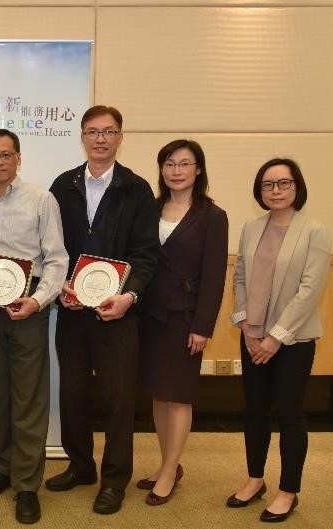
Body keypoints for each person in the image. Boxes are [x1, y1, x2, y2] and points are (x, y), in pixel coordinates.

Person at [45, 106, 160, 515]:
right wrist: (57, 284)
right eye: (92, 131)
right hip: (73, 312)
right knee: (73, 393)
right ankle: (80, 466)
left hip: (119, 314)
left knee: (117, 399)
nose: (100, 139)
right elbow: (50, 248)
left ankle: (113, 480)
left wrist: (128, 297)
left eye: (108, 131)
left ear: (120, 137)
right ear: (81, 136)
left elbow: (146, 255)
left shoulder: (137, 189)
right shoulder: (62, 186)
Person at [0, 129, 68, 524]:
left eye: (6, 155)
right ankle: (4, 467)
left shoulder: (41, 199)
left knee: (29, 398)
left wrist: (38, 300)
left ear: (18, 159)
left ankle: (26, 485)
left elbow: (56, 259)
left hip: (29, 312)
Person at [227, 159, 330, 523]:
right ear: (260, 191)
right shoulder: (251, 228)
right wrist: (245, 325)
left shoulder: (315, 231)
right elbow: (239, 277)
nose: (276, 190)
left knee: (288, 413)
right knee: (253, 411)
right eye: (268, 185)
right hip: (252, 336)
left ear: (297, 187)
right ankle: (256, 480)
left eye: (283, 183)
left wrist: (275, 338)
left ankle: (289, 491)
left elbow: (309, 290)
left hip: (294, 341)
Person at [136, 139, 228, 506]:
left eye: (184, 163)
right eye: (169, 164)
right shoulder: (151, 208)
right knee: (159, 392)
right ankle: (167, 465)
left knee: (179, 396)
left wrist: (203, 326)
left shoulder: (212, 215)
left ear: (199, 169)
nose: (176, 171)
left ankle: (171, 470)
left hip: (185, 316)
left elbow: (215, 275)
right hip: (150, 313)